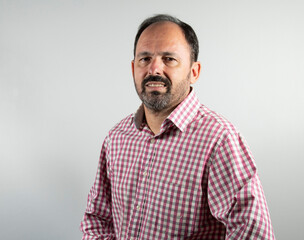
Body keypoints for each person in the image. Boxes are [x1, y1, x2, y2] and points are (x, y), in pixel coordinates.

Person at [80, 14, 275, 239]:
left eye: (169, 59)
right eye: (144, 59)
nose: (154, 69)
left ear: (194, 72)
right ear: (133, 67)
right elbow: (98, 219)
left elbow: (252, 234)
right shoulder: (116, 138)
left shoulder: (219, 139)